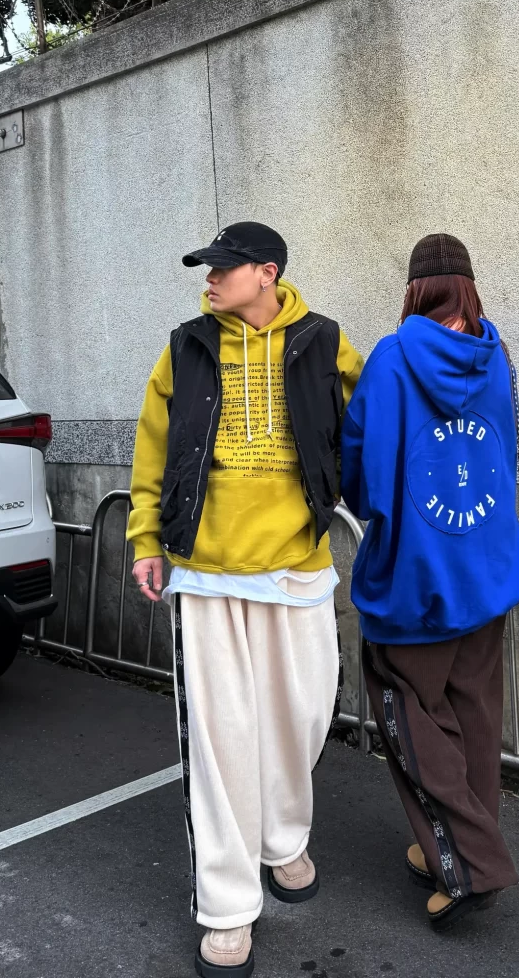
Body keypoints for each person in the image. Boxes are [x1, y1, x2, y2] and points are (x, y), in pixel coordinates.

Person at [127, 222, 362, 978]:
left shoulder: (326, 343)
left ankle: (282, 839)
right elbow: (152, 450)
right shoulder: (186, 347)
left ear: (267, 273)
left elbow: (371, 430)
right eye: (207, 268)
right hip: (205, 571)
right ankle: (228, 909)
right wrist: (145, 540)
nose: (209, 279)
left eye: (222, 268)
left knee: (303, 718)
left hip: (298, 564)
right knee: (221, 741)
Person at [341, 233, 519, 931]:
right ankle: (455, 847)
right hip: (487, 570)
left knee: (409, 716)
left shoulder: (392, 359)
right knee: (474, 718)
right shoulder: (497, 356)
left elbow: (361, 475)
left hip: (415, 580)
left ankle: (472, 864)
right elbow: (506, 454)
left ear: (415, 290)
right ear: (469, 287)